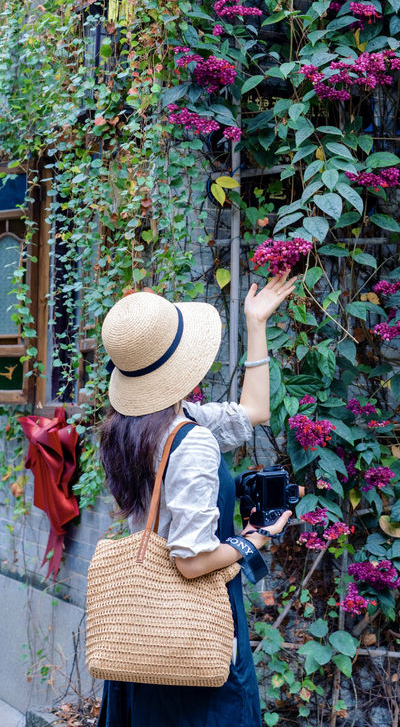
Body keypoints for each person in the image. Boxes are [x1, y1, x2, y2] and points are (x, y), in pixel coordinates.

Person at [96, 271, 298, 727]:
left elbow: (254, 412)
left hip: (148, 626)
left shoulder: (132, 428)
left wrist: (257, 323)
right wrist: (257, 538)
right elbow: (190, 559)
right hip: (194, 626)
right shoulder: (192, 440)